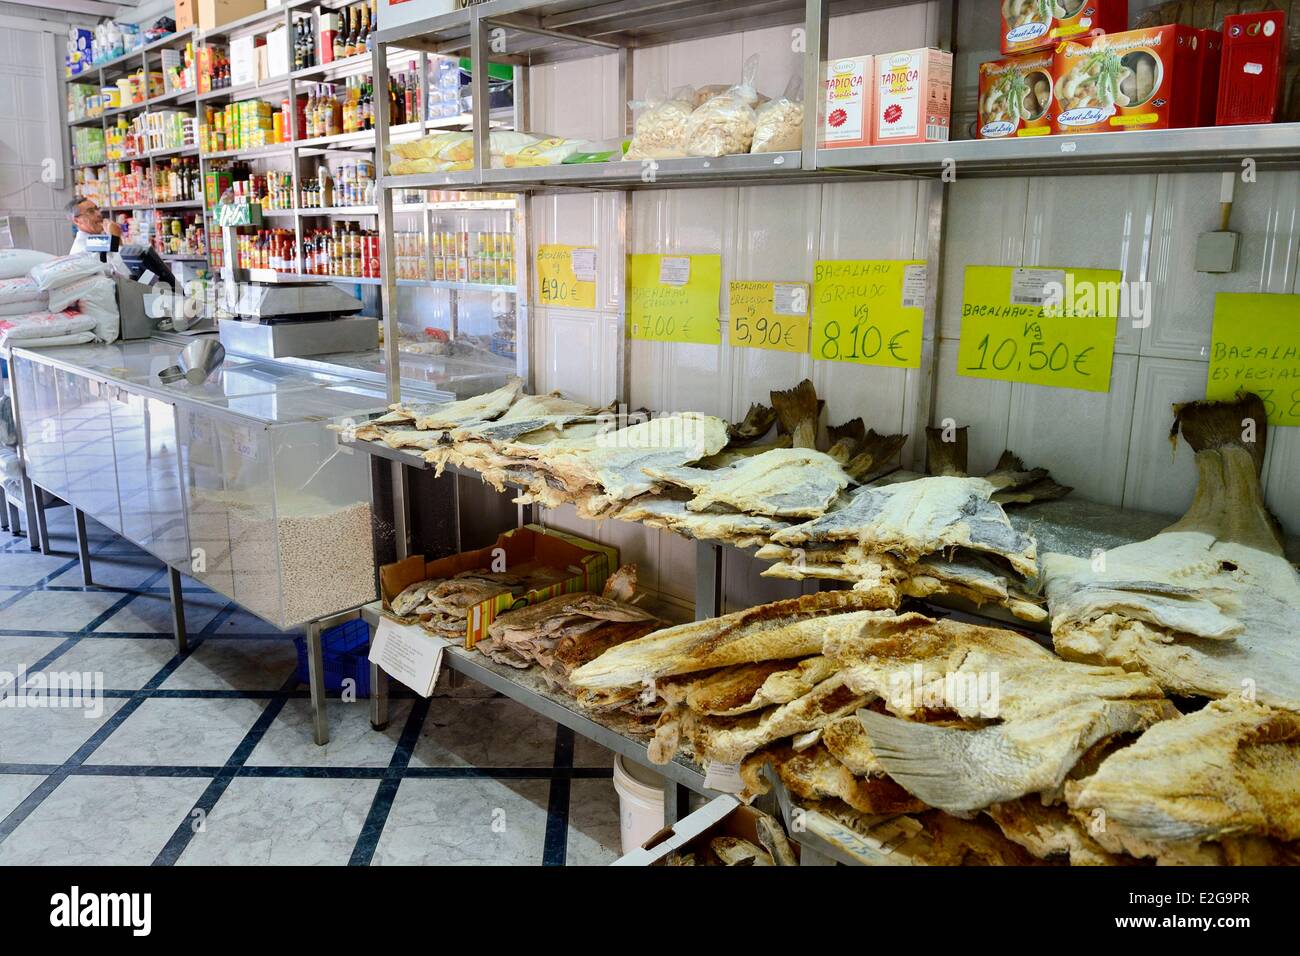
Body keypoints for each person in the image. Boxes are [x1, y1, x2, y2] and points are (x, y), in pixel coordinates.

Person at [65, 197, 127, 274]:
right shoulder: (83, 248)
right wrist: (116, 237)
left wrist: (115, 238)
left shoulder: (97, 239)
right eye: (91, 212)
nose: (99, 214)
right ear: (77, 221)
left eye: (97, 209)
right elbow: (122, 274)